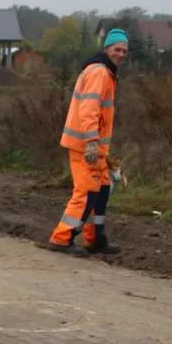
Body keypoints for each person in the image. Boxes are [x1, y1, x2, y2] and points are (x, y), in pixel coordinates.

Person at [45, 28, 129, 255]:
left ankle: (95, 238)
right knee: (87, 192)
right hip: (85, 146)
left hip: (95, 147)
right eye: (117, 49)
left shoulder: (104, 72)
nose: (121, 54)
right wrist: (92, 142)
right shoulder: (100, 73)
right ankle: (61, 238)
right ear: (106, 49)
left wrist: (102, 149)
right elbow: (89, 109)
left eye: (124, 51)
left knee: (101, 189)